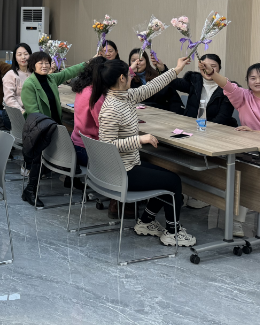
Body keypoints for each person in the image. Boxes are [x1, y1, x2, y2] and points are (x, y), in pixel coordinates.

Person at [93, 56, 197, 247]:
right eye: (128, 74)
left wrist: (176, 69)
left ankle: (146, 221)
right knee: (173, 181)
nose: (132, 76)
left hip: (129, 164)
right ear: (122, 78)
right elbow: (107, 145)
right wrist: (140, 139)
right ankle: (172, 232)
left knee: (167, 176)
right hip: (121, 172)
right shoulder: (111, 108)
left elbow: (150, 87)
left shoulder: (125, 96)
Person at [200, 60, 260, 240]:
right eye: (252, 78)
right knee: (242, 174)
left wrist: (255, 132)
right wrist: (212, 73)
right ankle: (236, 220)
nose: (257, 81)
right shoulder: (243, 97)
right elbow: (228, 86)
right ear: (248, 81)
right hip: (250, 150)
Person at [71, 56, 140, 219]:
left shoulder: (84, 89)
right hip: (89, 150)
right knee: (127, 153)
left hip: (77, 143)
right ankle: (118, 201)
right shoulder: (96, 97)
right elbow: (105, 130)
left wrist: (130, 70)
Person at [20, 51, 86, 205]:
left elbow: (69, 72)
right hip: (40, 128)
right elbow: (34, 114)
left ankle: (71, 179)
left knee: (72, 142)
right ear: (33, 65)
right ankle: (30, 191)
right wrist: (51, 129)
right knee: (39, 156)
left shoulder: (51, 79)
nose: (44, 65)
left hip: (55, 126)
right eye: (40, 63)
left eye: (47, 63)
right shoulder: (29, 85)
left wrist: (88, 63)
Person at [170, 54, 237, 126]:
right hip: (191, 126)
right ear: (200, 67)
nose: (208, 69)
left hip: (216, 128)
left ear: (219, 68)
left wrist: (203, 127)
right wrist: (164, 68)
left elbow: (222, 118)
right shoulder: (194, 81)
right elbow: (172, 82)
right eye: (204, 66)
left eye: (213, 66)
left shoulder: (228, 88)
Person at [128, 49, 184, 113]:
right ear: (129, 63)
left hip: (162, 113)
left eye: (140, 60)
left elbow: (173, 98)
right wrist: (129, 71)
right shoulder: (127, 80)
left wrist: (163, 69)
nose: (137, 63)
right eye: (133, 61)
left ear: (146, 61)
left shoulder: (157, 75)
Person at [2, 43, 32, 113]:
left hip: (30, 111)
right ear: (15, 57)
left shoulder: (33, 73)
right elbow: (9, 99)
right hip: (13, 112)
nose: (23, 57)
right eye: (19, 54)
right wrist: (22, 112)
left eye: (26, 54)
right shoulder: (10, 75)